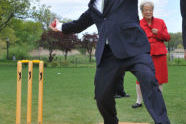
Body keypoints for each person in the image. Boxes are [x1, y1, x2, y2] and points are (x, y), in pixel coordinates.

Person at [50, 0, 170, 123]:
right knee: (101, 96)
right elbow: (79, 24)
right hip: (109, 55)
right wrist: (59, 26)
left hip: (135, 48)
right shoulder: (93, 8)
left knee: (149, 80)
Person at [132, 1, 171, 109]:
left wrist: (158, 33)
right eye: (146, 10)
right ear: (142, 12)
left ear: (153, 11)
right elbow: (135, 40)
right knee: (140, 78)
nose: (148, 12)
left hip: (160, 54)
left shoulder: (160, 22)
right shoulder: (138, 24)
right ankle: (139, 101)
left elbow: (167, 37)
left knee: (159, 79)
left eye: (150, 10)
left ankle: (159, 101)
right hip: (144, 54)